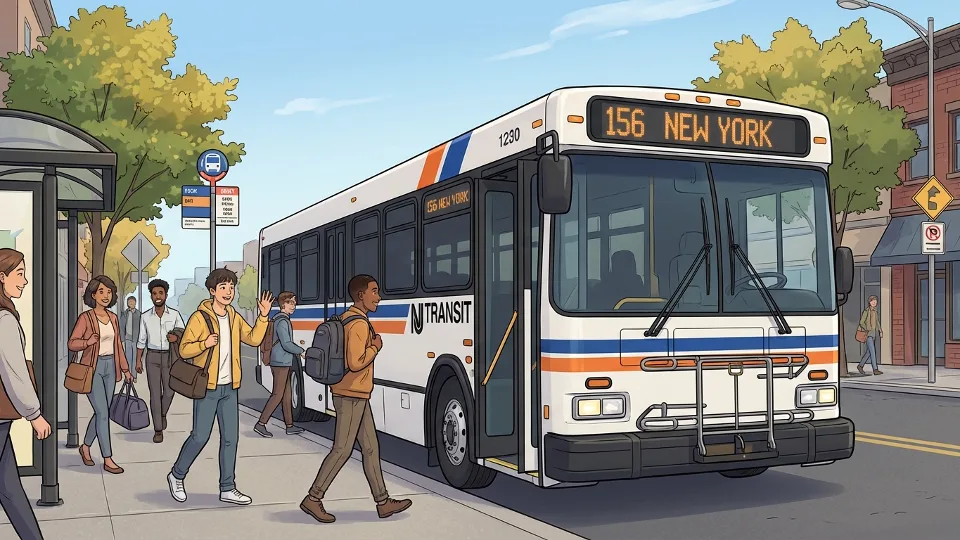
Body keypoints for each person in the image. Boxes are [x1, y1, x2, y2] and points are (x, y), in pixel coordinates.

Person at [300, 275, 412, 523]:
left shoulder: (348, 318)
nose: (378, 297)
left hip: (356, 394)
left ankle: (383, 502)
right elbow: (355, 362)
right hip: (350, 394)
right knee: (342, 449)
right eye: (374, 291)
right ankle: (313, 498)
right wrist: (375, 347)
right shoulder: (359, 324)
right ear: (361, 295)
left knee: (370, 448)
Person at [167, 268, 273, 506]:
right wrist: (204, 343)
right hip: (208, 387)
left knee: (230, 440)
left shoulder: (234, 317)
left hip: (229, 388)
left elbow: (254, 339)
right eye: (223, 287)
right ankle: (176, 475)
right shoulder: (200, 317)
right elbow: (184, 349)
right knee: (199, 436)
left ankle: (228, 487)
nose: (228, 292)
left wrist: (263, 316)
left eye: (231, 287)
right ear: (212, 291)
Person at [0, 248, 50, 540]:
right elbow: (13, 371)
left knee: (10, 490)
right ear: (2, 277)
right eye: (19, 274)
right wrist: (35, 415)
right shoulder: (5, 319)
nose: (25, 281)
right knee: (9, 488)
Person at [68, 275, 134, 474]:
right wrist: (87, 342)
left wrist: (126, 369)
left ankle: (85, 447)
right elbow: (72, 343)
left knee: (101, 412)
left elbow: (118, 347)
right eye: (101, 291)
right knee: (103, 413)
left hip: (110, 367)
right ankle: (108, 458)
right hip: (92, 369)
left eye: (109, 292)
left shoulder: (113, 318)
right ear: (93, 294)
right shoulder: (85, 318)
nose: (106, 295)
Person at [135, 279, 185, 443]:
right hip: (153, 357)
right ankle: (158, 429)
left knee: (170, 390)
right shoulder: (145, 317)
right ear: (151, 296)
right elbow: (141, 340)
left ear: (166, 295)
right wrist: (138, 361)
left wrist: (175, 337)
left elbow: (183, 334)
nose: (157, 296)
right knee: (155, 393)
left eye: (160, 293)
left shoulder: (175, 315)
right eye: (154, 293)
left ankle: (161, 413)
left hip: (171, 357)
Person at [254, 291, 305, 438]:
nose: (293, 306)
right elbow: (286, 343)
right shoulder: (282, 321)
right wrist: (301, 351)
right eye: (290, 303)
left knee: (287, 394)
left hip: (284, 361)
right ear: (283, 304)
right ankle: (261, 423)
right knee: (277, 394)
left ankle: (289, 425)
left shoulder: (280, 319)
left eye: (294, 303)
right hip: (280, 362)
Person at [857, 295, 883, 376]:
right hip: (868, 334)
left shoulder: (875, 311)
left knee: (869, 352)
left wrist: (880, 331)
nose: (874, 302)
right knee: (872, 351)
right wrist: (866, 329)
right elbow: (861, 322)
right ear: (869, 302)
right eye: (872, 301)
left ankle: (860, 365)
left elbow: (877, 322)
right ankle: (875, 369)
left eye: (875, 301)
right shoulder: (866, 311)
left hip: (873, 334)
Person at [118, 296, 140, 374]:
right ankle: (128, 374)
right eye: (129, 302)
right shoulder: (124, 313)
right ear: (127, 303)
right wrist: (122, 338)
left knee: (135, 357)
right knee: (128, 357)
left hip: (135, 339)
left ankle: (134, 375)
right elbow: (121, 326)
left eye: (132, 302)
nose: (131, 303)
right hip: (127, 338)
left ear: (135, 303)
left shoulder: (139, 314)